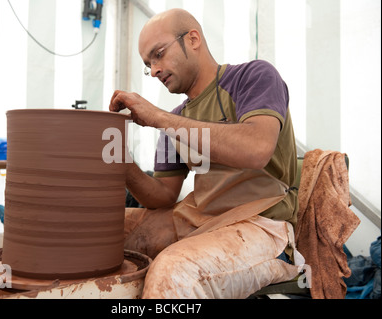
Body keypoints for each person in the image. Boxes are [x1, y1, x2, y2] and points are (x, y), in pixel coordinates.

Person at [109, 8, 304, 299]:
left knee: (174, 271)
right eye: (147, 64)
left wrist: (158, 118)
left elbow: (257, 149)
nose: (153, 70)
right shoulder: (174, 119)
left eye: (158, 54)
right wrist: (120, 161)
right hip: (199, 219)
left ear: (193, 39)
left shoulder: (254, 77)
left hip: (260, 224)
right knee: (101, 232)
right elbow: (162, 196)